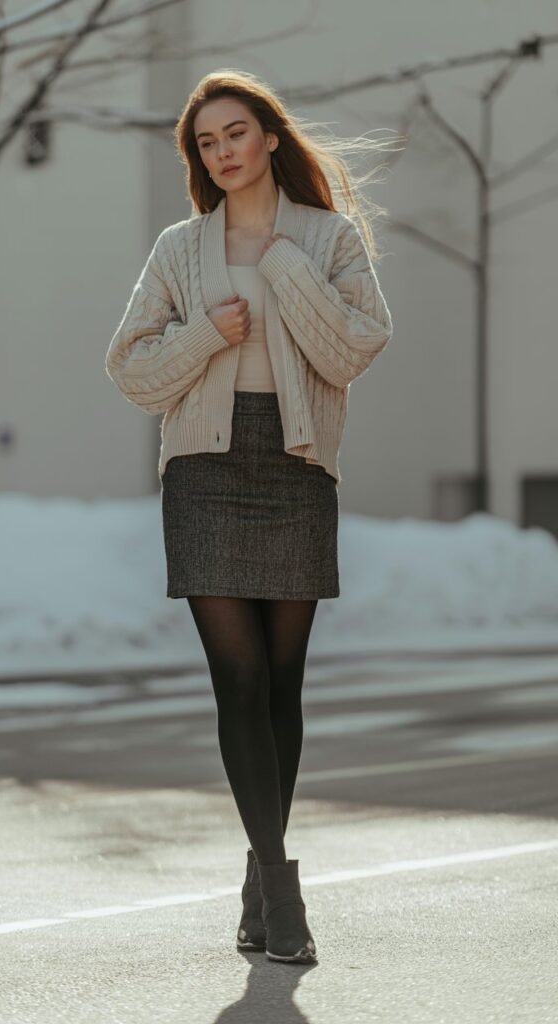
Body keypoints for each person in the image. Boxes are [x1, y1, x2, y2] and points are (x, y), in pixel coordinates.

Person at [105, 69, 395, 965]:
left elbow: (354, 346)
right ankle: (280, 886)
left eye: (236, 134)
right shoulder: (178, 249)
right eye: (206, 142)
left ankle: (257, 874)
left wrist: (279, 263)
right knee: (237, 685)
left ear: (270, 136)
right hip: (204, 467)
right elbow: (131, 368)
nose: (222, 152)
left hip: (296, 466)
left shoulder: (326, 237)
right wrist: (206, 335)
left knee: (282, 685)